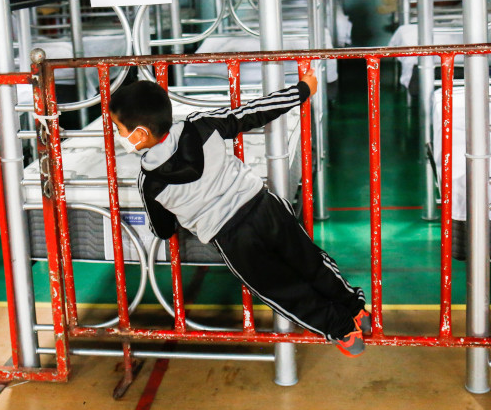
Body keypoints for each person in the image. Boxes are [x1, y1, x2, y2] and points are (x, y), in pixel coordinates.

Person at [108, 70, 371, 356]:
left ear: (141, 134)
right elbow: (253, 113)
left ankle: (341, 330)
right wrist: (301, 90)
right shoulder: (200, 125)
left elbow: (163, 229)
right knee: (309, 260)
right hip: (263, 206)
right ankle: (355, 309)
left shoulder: (149, 183)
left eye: (119, 129)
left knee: (280, 289)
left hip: (232, 237)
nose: (117, 135)